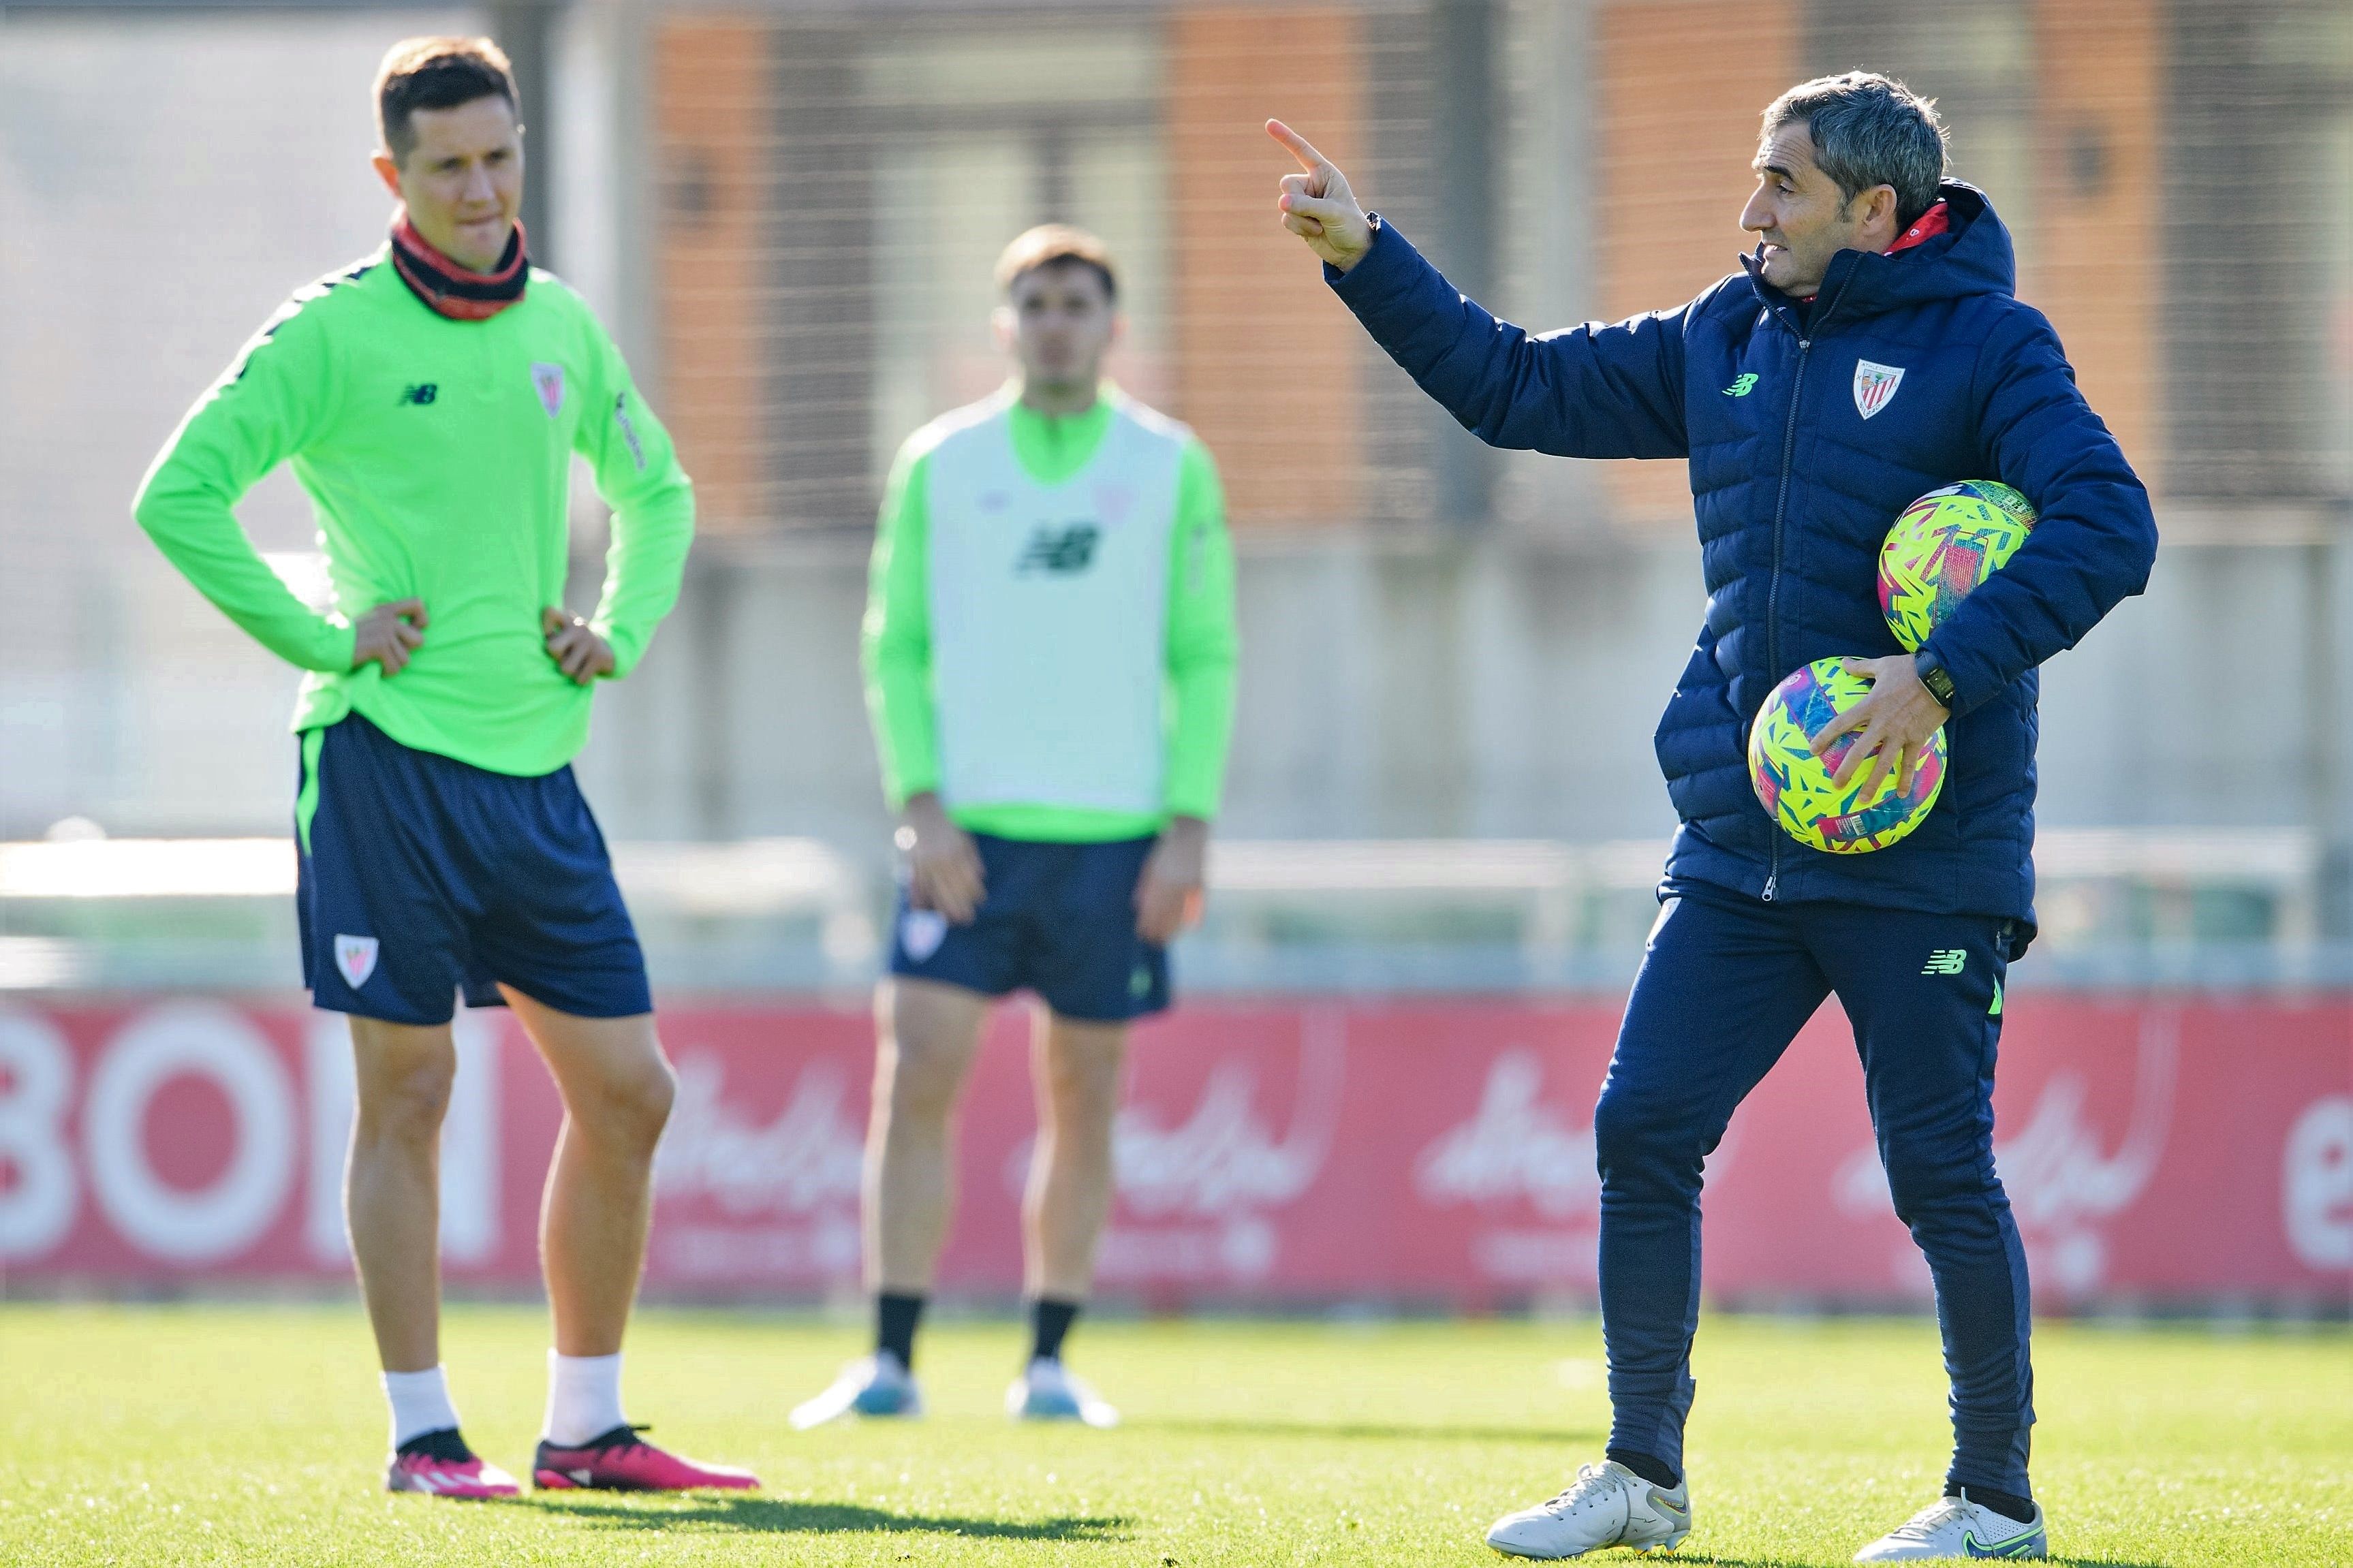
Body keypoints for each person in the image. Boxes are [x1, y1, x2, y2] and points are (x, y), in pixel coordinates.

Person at [1271, 71, 2155, 1563]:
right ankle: (1639, 1474)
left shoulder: (1989, 345)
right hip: (1743, 840)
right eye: (1754, 179)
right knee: (1641, 1124)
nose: (1749, 211)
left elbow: (2106, 522)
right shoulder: (1723, 331)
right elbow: (1514, 385)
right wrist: (1369, 252)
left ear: (1875, 213)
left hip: (1923, 853)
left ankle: (1992, 1495)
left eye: (1783, 187)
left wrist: (1939, 674)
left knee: (1936, 1165)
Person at [134, 36, 756, 1499]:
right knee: (409, 1089)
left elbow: (656, 488)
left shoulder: (562, 326)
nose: (480, 191)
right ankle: (424, 1432)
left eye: (498, 157)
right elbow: (182, 495)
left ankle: (586, 1427)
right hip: (383, 763)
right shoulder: (330, 335)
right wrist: (323, 633)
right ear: (390, 177)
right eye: (447, 167)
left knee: (631, 1097)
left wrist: (618, 626)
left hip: (534, 769)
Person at [790, 225, 1239, 1431]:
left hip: (1116, 840)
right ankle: (888, 1359)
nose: (1055, 322)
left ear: (1111, 325)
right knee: (916, 1078)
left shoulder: (1168, 464)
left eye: (1077, 303)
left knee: (1083, 1093)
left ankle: (1048, 1362)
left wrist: (1185, 826)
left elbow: (1204, 654)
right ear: (1003, 325)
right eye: (1033, 303)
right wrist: (920, 804)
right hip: (965, 839)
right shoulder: (942, 462)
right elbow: (894, 642)